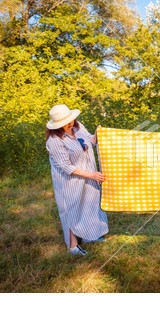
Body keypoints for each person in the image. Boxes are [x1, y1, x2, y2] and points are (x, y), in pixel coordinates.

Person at [45, 104, 108, 255]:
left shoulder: (78, 128)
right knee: (71, 210)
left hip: (88, 174)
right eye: (65, 123)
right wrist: (91, 175)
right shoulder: (54, 141)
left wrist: (98, 134)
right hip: (69, 181)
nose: (70, 123)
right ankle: (73, 247)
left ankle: (89, 236)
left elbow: (91, 142)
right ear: (56, 126)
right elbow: (67, 167)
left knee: (90, 204)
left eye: (70, 120)